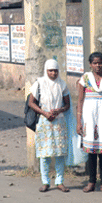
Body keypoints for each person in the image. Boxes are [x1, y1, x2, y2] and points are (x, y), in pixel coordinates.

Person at [28, 59, 71, 192]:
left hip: (59, 122)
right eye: (50, 71)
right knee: (44, 153)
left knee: (59, 153)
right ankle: (45, 181)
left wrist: (59, 110)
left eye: (56, 71)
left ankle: (59, 181)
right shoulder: (39, 84)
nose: (53, 73)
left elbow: (67, 104)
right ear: (46, 71)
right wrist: (45, 113)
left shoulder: (62, 84)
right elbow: (31, 102)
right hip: (44, 122)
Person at [76, 51, 102, 193]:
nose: (98, 66)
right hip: (89, 119)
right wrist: (79, 121)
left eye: (100, 63)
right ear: (90, 65)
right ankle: (91, 181)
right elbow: (80, 100)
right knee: (91, 153)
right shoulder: (85, 78)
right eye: (95, 63)